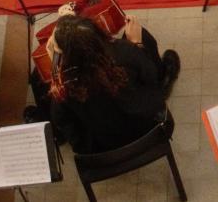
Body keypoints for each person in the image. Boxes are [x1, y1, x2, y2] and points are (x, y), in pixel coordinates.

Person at [42, 10, 179, 154]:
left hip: (102, 147)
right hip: (149, 127)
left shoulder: (64, 85)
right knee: (144, 36)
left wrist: (56, 69)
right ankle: (165, 79)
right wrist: (137, 45)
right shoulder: (124, 51)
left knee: (38, 79)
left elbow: (61, 120)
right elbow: (150, 76)